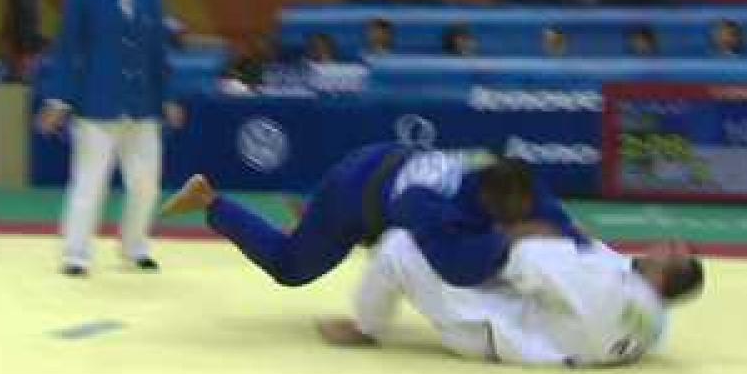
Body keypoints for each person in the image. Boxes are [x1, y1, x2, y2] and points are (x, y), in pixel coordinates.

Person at [161, 146, 593, 288]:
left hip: (387, 161)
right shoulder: (429, 203)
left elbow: (549, 214)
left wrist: (581, 243)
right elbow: (454, 269)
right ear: (487, 203)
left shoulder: (509, 176)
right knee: (291, 268)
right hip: (355, 196)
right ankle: (211, 201)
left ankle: (309, 213)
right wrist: (511, 239)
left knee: (515, 231)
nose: (523, 218)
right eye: (509, 219)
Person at [316, 226, 703, 366]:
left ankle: (366, 328)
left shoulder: (610, 291)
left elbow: (526, 262)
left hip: (485, 328)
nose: (664, 243)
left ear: (665, 279)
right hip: (528, 325)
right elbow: (598, 265)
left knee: (401, 246)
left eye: (671, 251)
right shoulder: (653, 322)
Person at [38, 0, 187, 277]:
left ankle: (134, 246)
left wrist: (168, 97)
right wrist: (58, 101)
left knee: (146, 184)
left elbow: (158, 52)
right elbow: (68, 51)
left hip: (143, 105)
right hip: (96, 104)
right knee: (90, 182)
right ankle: (76, 253)